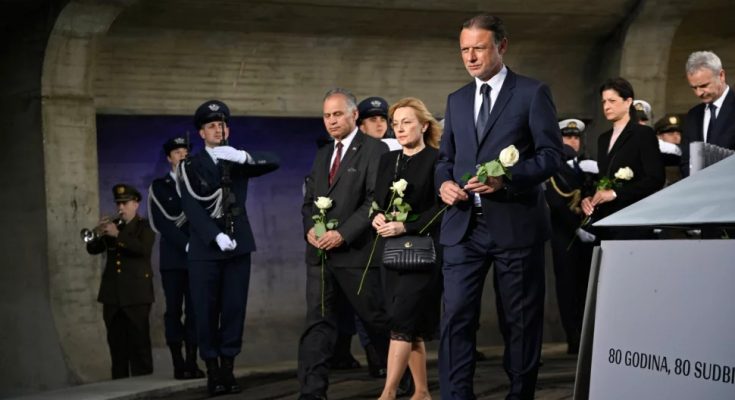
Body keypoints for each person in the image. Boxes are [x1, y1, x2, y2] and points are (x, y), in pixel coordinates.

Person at [435, 14, 563, 399]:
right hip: (463, 227)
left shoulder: (532, 93)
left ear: (501, 46)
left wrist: (505, 179)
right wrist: (443, 183)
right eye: (464, 49)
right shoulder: (457, 100)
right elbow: (445, 159)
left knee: (519, 322)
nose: (470, 57)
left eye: (479, 48)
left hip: (515, 223)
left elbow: (551, 156)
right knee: (455, 317)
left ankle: (520, 394)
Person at [179, 99, 279, 396]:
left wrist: (243, 156)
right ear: (202, 133)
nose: (217, 130)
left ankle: (228, 368)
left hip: (238, 245)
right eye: (211, 126)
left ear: (228, 130)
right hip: (206, 249)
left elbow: (274, 161)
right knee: (205, 310)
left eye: (221, 125)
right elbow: (191, 207)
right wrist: (214, 235)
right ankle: (212, 370)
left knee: (234, 309)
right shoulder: (189, 166)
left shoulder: (236, 160)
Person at [298, 88, 390, 400]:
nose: (332, 121)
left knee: (375, 319)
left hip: (356, 254)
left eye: (337, 114)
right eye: (327, 115)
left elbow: (375, 200)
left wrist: (343, 233)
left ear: (354, 115)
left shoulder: (375, 149)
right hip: (320, 256)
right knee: (317, 324)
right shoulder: (323, 153)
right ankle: (312, 392)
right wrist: (310, 230)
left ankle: (401, 377)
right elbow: (309, 202)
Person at [372, 97, 443, 400]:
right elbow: (377, 201)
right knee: (408, 325)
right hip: (391, 252)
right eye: (396, 124)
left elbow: (442, 208)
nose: (399, 129)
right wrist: (376, 216)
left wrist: (406, 227)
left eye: (407, 122)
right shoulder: (388, 160)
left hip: (423, 253)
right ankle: (422, 392)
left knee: (402, 321)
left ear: (424, 126)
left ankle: (387, 393)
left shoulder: (438, 159)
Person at [148, 136, 204, 380]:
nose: (182, 155)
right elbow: (162, 223)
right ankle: (178, 364)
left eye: (185, 152)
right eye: (177, 152)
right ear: (169, 158)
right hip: (173, 260)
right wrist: (187, 244)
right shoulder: (159, 187)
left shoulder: (199, 184)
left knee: (195, 311)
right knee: (173, 311)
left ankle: (192, 361)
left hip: (197, 259)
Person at [581, 78, 665, 240]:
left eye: (612, 101)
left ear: (628, 102)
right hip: (605, 221)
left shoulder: (643, 134)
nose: (606, 106)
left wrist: (614, 193)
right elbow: (605, 177)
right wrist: (590, 197)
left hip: (633, 221)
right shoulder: (603, 138)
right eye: (604, 101)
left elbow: (655, 179)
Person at [86, 184, 155, 379]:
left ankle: (144, 384)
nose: (120, 208)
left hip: (136, 295)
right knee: (116, 347)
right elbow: (93, 250)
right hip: (112, 295)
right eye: (118, 204)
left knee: (139, 345)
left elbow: (142, 250)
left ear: (136, 204)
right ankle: (120, 384)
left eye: (125, 203)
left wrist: (118, 234)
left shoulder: (145, 226)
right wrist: (97, 234)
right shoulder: (115, 226)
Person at [544, 119, 596, 355]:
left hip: (589, 234)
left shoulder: (586, 166)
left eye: (576, 137)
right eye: (567, 137)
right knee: (568, 287)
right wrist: (576, 227)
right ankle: (573, 337)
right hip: (564, 236)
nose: (573, 141)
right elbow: (556, 202)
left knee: (587, 285)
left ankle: (587, 334)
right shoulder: (553, 167)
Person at [681, 51, 735, 176]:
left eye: (704, 85)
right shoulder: (693, 115)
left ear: (721, 75)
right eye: (694, 88)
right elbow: (685, 161)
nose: (699, 93)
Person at [654, 114, 684, 186]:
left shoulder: (684, 152)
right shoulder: (656, 155)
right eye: (670, 134)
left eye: (678, 133)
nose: (675, 137)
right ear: (659, 137)